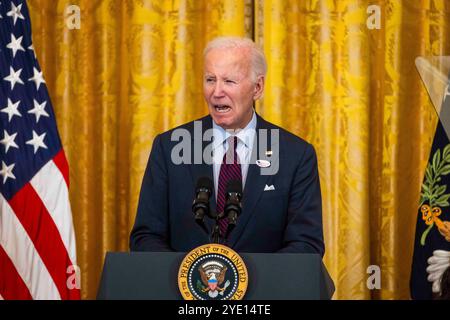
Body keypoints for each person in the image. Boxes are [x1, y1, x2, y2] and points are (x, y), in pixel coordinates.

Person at [130, 36, 324, 255]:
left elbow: (307, 245)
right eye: (210, 79)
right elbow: (146, 237)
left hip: (267, 289)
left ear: (257, 88)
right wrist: (190, 278)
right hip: (184, 287)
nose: (217, 92)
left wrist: (243, 279)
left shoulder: (295, 155)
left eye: (229, 81)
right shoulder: (169, 147)